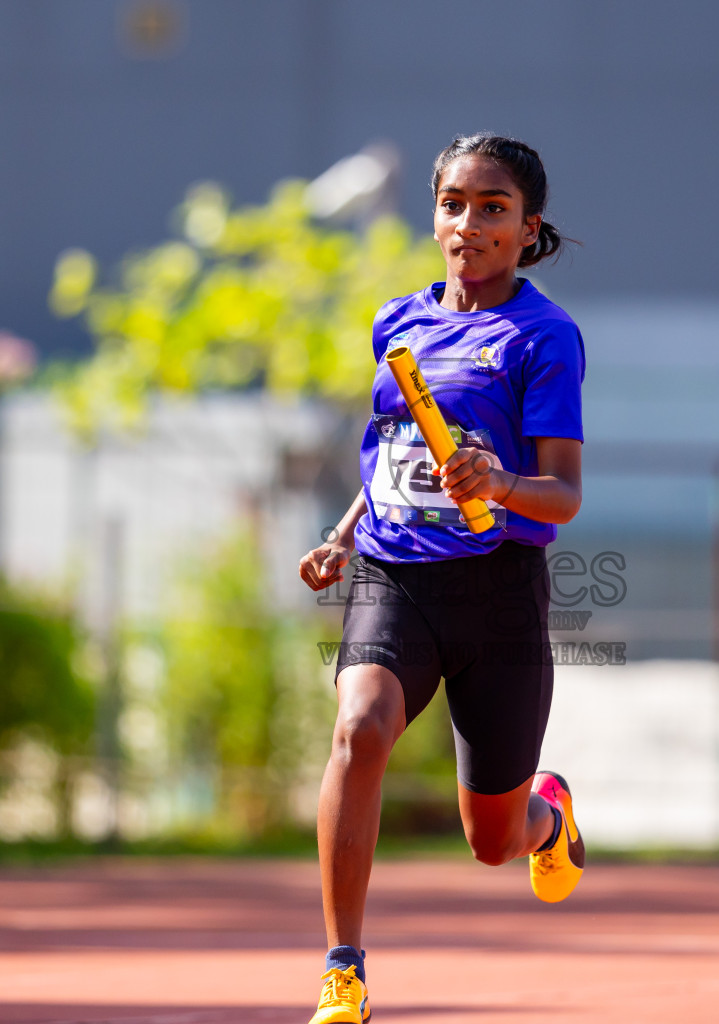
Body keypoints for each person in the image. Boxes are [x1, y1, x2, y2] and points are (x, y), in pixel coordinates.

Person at [296, 134, 586, 1024]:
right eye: (454, 203)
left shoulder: (544, 337)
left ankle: (548, 818)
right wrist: (343, 536)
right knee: (359, 729)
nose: (469, 223)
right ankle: (344, 970)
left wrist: (496, 482)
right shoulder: (397, 322)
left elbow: (564, 494)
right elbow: (392, 453)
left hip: (498, 588)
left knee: (491, 842)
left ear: (527, 226)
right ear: (434, 215)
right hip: (395, 579)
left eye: (493, 207)